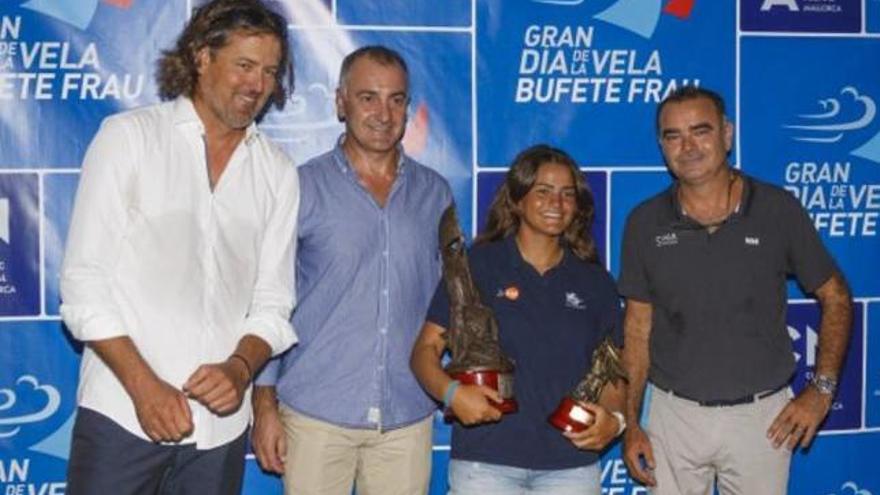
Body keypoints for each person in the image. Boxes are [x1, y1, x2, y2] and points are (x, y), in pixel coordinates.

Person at [59, 1, 299, 493]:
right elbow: (83, 288)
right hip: (121, 420)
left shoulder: (277, 171)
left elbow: (274, 304)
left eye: (270, 71)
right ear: (201, 57)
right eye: (244, 66)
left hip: (220, 435)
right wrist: (144, 388)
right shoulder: (129, 139)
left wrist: (239, 368)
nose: (256, 84)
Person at [618, 86, 853, 494]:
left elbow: (836, 298)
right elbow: (637, 329)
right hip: (674, 418)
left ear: (727, 135)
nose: (687, 146)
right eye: (673, 135)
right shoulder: (644, 223)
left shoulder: (778, 209)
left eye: (700, 130)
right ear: (661, 145)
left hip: (761, 421)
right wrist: (632, 422)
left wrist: (822, 390)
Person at [251, 45, 453, 495]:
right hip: (315, 415)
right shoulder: (299, 187)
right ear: (340, 102)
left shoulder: (435, 195)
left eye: (396, 99)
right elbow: (268, 298)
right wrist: (264, 404)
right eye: (368, 97)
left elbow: (451, 302)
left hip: (406, 416)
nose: (383, 113)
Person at [411, 144, 626, 494]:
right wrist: (452, 394)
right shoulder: (478, 267)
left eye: (566, 194)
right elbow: (424, 350)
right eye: (543, 191)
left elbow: (614, 373)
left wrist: (615, 421)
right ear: (517, 199)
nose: (556, 204)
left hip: (570, 467)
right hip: (485, 465)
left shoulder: (595, 281)